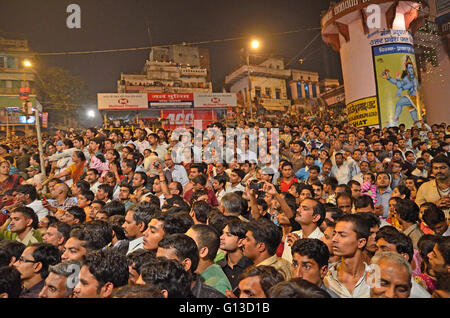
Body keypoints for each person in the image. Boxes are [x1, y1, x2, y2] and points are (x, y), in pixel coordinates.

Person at [155, 233, 225, 298]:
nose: (157, 266)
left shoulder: (211, 296)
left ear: (186, 265)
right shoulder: (153, 291)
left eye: (164, 263)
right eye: (157, 261)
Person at [324, 214, 371, 298]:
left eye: (342, 235)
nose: (334, 239)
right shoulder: (327, 278)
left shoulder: (376, 279)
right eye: (334, 234)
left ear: (361, 242)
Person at [186, 224, 232, 294]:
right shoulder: (191, 272)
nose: (182, 245)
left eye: (188, 243)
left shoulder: (218, 286)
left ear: (203, 251)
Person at [282, 198, 325, 263]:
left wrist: (298, 247)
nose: (298, 210)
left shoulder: (322, 241)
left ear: (315, 217)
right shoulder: (292, 236)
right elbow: (284, 266)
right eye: (299, 207)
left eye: (305, 208)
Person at [217, 218, 253, 290]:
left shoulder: (251, 268)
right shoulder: (218, 266)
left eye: (228, 235)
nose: (221, 237)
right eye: (222, 233)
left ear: (241, 242)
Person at [416, 154, 450, 221]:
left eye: (442, 168)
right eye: (435, 168)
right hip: (431, 228)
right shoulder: (424, 187)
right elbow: (417, 210)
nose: (438, 171)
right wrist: (434, 205)